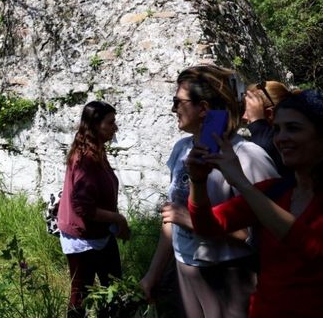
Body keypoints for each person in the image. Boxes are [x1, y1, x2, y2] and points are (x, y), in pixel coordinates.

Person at [140, 65, 279, 318]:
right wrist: (152, 275)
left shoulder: (248, 157)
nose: (173, 109)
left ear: (203, 108)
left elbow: (264, 232)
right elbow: (171, 220)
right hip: (185, 271)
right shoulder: (181, 150)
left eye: (178, 102)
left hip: (228, 277)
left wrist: (191, 219)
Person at [187, 90, 323, 317]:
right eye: (277, 129)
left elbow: (312, 249)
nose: (280, 138)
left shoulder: (263, 194)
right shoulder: (273, 191)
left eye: (294, 128)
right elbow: (207, 225)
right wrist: (198, 180)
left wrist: (241, 182)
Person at [57, 101, 129, 318]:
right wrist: (119, 219)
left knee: (114, 290)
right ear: (96, 125)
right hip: (82, 238)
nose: (115, 127)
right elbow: (83, 207)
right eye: (111, 122)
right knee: (81, 296)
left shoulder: (96, 150)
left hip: (99, 234)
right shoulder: (85, 158)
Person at [243, 80, 294, 177]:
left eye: (249, 111)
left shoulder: (283, 144)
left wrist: (256, 121)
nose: (244, 116)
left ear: (269, 114)